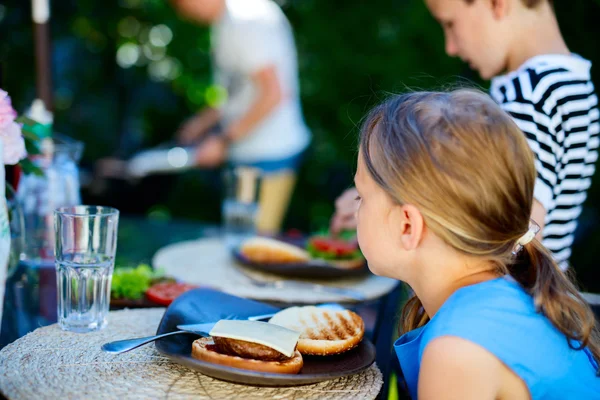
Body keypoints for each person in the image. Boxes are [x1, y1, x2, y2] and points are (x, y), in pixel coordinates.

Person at [355, 89, 600, 399]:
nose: (355, 211)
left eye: (360, 197)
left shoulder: (458, 350)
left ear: (408, 226)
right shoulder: (503, 297)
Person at [332, 0, 599, 270]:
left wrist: (384, 212)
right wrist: (382, 196)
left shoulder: (531, 95)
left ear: (497, 4)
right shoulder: (567, 82)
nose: (451, 47)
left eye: (451, 24)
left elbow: (513, 232)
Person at [166, 0, 311, 234]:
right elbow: (236, 93)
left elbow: (274, 94)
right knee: (238, 239)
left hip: (270, 153)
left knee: (253, 245)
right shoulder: (226, 22)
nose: (181, 12)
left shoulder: (248, 19)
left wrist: (222, 141)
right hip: (246, 151)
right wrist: (201, 124)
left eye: (180, 3)